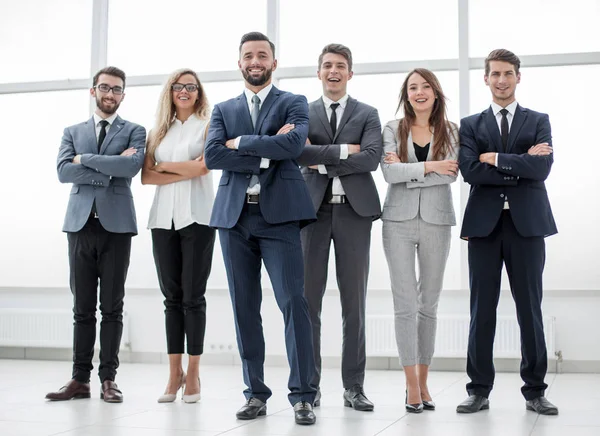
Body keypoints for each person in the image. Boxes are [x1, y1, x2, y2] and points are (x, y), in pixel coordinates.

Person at [204, 32, 317, 426]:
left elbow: (294, 146)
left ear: (274, 61)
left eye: (262, 55)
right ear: (240, 63)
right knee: (244, 309)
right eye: (248, 56)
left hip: (280, 217)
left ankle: (303, 395)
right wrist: (266, 149)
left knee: (293, 303)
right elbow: (213, 155)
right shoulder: (222, 108)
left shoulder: (294, 102)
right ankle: (255, 393)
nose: (255, 61)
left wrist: (243, 144)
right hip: (234, 219)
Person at [456, 49, 558, 415]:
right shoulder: (470, 125)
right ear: (485, 78)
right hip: (484, 227)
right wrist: (521, 163)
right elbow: (470, 170)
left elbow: (542, 168)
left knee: (529, 309)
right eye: (495, 74)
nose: (501, 80)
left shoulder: (538, 120)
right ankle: (478, 390)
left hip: (527, 226)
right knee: (481, 310)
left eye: (508, 73)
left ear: (518, 77)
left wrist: (495, 158)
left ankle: (535, 391)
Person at [48, 66, 146, 403]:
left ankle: (108, 379)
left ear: (122, 94)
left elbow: (131, 167)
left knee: (112, 308)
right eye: (105, 87)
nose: (110, 94)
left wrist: (87, 161)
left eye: (117, 89)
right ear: (93, 91)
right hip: (79, 226)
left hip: (117, 227)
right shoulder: (71, 130)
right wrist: (108, 166)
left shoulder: (135, 130)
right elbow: (63, 171)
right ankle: (79, 379)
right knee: (82, 307)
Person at [297, 43, 381, 411]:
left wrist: (322, 159)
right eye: (328, 65)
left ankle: (354, 387)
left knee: (354, 305)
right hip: (311, 213)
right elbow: (298, 152)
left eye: (341, 66)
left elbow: (373, 158)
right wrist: (347, 151)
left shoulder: (368, 112)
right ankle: (309, 387)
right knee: (308, 303)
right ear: (319, 72)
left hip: (354, 213)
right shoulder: (302, 111)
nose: (334, 71)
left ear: (350, 73)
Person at [381, 68, 459, 413]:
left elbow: (452, 174)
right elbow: (387, 173)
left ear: (436, 92)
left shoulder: (452, 131)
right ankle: (411, 385)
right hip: (397, 221)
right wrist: (431, 167)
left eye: (425, 86)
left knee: (429, 304)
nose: (419, 92)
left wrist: (410, 170)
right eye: (413, 87)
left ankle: (425, 381)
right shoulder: (391, 129)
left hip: (437, 222)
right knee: (404, 305)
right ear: (406, 94)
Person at [141, 68, 215, 404]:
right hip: (162, 221)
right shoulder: (157, 131)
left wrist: (165, 169)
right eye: (178, 86)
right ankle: (174, 374)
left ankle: (195, 372)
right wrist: (184, 167)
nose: (184, 91)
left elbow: (203, 168)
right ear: (169, 92)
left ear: (198, 93)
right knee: (172, 298)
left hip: (198, 217)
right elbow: (146, 177)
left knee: (193, 298)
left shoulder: (209, 125)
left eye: (191, 87)